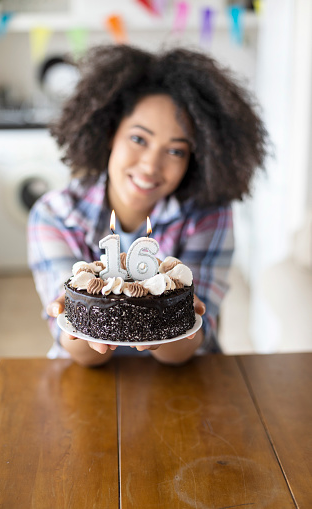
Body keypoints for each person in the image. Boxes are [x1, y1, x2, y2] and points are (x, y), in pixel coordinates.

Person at [28, 44, 268, 367]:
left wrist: (171, 321)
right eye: (139, 139)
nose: (151, 166)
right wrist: (81, 321)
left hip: (185, 383)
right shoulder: (53, 215)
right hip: (86, 384)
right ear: (111, 132)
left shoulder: (208, 213)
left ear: (196, 159)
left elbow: (188, 347)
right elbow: (81, 354)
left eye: (176, 151)